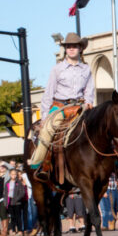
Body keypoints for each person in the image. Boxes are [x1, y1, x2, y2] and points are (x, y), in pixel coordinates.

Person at [28, 32, 95, 169]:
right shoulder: (57, 69)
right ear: (65, 49)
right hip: (60, 106)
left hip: (79, 106)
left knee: (101, 125)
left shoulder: (86, 69)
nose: (71, 49)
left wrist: (89, 102)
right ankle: (39, 164)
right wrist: (45, 117)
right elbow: (48, 94)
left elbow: (90, 90)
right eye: (68, 46)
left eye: (75, 46)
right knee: (47, 131)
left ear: (80, 48)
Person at [5, 168, 27, 235]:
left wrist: (17, 198)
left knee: (18, 216)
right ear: (10, 175)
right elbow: (5, 193)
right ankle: (13, 230)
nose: (13, 175)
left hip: (17, 202)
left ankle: (20, 230)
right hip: (10, 201)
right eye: (12, 174)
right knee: (12, 217)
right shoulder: (7, 183)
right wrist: (5, 202)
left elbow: (22, 192)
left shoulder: (18, 182)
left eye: (15, 174)